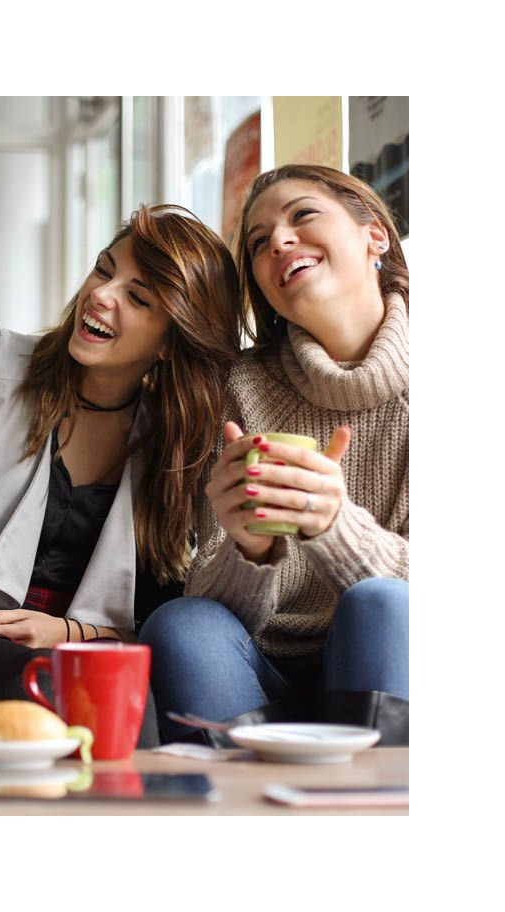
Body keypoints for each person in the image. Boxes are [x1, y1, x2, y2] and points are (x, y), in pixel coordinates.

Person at [0, 205, 242, 739]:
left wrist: (69, 630)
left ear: (168, 343)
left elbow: (159, 607)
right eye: (104, 269)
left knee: (144, 711)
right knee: (53, 699)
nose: (102, 294)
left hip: (87, 650)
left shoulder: (172, 446)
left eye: (138, 298)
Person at [139, 164, 409, 746]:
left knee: (382, 605)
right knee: (182, 625)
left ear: (375, 235)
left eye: (303, 216)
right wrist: (247, 547)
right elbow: (211, 604)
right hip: (254, 674)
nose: (279, 241)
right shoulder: (238, 391)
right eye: (259, 242)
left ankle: (380, 815)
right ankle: (246, 818)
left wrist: (335, 527)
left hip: (394, 676)